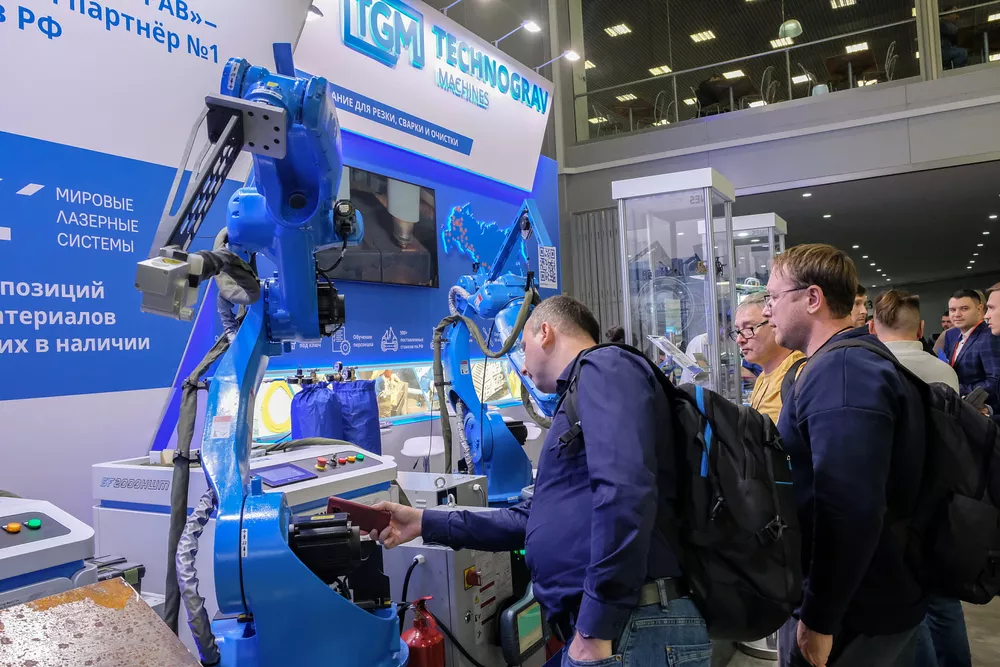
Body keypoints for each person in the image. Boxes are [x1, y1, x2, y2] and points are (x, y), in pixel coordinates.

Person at [373, 295, 711, 667]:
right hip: (619, 627)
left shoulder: (604, 366)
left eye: (523, 347)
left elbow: (624, 494)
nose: (522, 364)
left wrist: (595, 628)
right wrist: (423, 522)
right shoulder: (582, 394)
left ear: (545, 332)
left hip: (628, 628)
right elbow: (528, 518)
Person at [761, 243, 927, 667]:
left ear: (812, 298)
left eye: (772, 297)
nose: (766, 310)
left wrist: (820, 617)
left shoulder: (843, 371)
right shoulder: (842, 364)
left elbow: (849, 507)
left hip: (857, 610)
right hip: (866, 598)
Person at [869, 290, 971, 667]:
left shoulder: (872, 370)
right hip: (942, 498)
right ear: (921, 327)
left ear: (871, 327)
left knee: (907, 606)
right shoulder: (944, 371)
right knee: (943, 601)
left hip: (894, 504)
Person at [733, 291, 804, 424]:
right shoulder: (762, 378)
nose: (740, 339)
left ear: (774, 323)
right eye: (738, 331)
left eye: (749, 328)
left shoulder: (801, 373)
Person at [940, 289, 1000, 416]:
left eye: (964, 309)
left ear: (979, 309)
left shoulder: (990, 335)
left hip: (983, 411)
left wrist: (956, 388)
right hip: (956, 407)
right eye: (952, 310)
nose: (957, 314)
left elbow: (995, 381)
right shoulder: (951, 335)